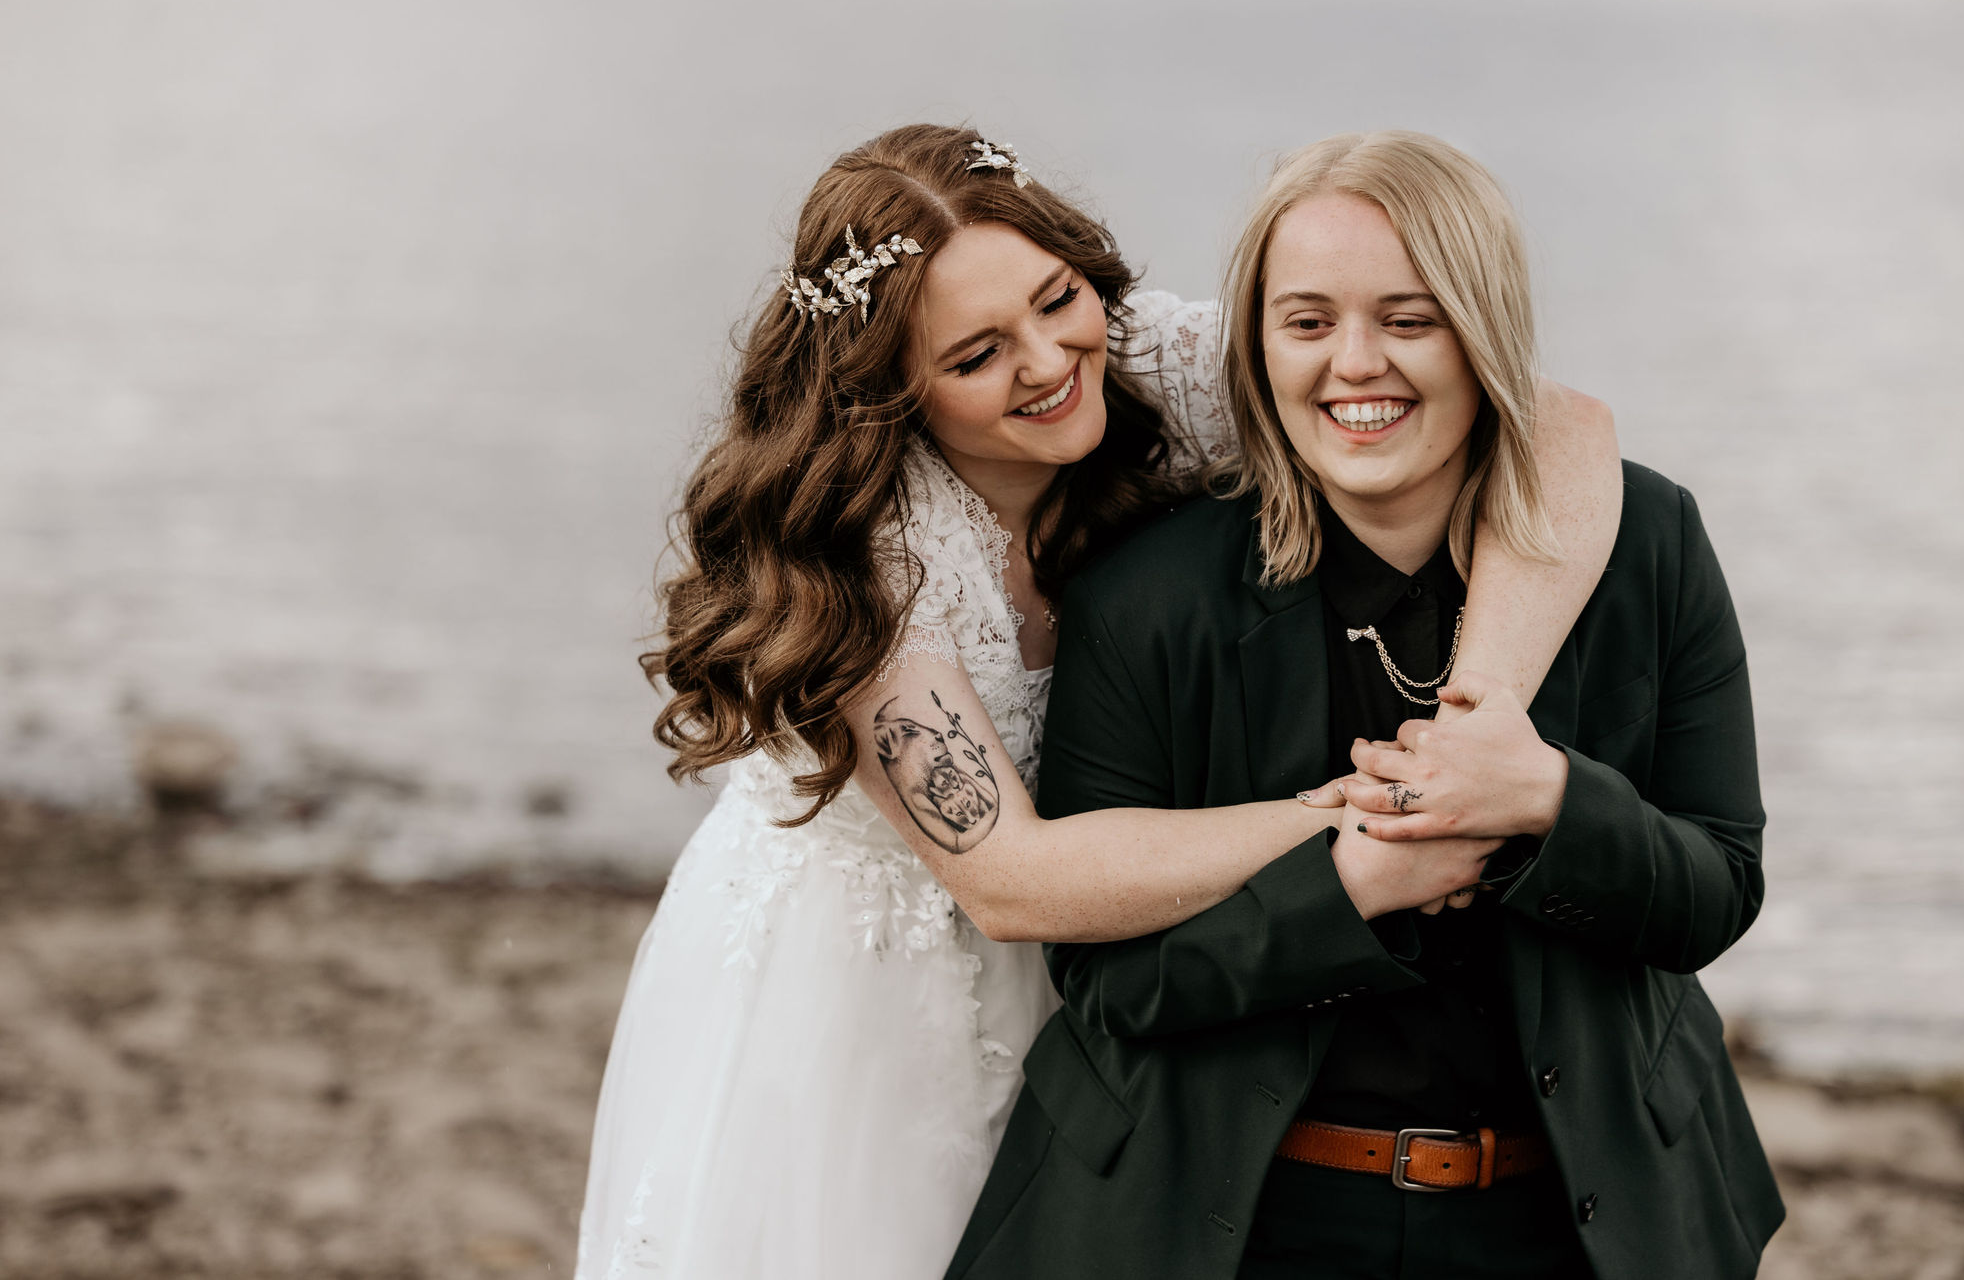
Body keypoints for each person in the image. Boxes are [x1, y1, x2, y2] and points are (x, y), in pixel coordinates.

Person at [575, 124, 1623, 1280]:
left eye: (1054, 297)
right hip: (860, 1000)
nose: (1045, 361)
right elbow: (1011, 882)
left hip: (1109, 960)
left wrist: (1475, 725)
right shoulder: (866, 561)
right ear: (888, 393)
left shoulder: (1139, 360)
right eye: (975, 356)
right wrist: (1371, 816)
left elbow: (1561, 427)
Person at [945, 131, 1782, 1280]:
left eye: (1407, 318)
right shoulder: (1150, 594)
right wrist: (1345, 889)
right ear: (1256, 344)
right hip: (1244, 1222)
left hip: (1574, 1225)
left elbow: (1716, 887)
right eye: (1306, 321)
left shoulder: (1646, 543)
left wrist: (1548, 800)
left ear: (1479, 328)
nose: (1354, 364)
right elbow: (1105, 982)